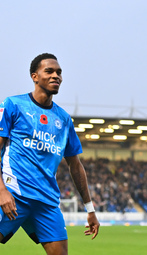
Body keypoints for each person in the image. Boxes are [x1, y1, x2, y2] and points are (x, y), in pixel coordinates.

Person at [0, 53, 100, 255]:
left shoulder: (64, 120)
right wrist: (1, 191)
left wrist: (90, 209)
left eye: (59, 72)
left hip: (46, 202)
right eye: (50, 71)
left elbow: (75, 165)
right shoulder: (13, 105)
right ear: (34, 76)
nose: (56, 76)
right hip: (13, 193)